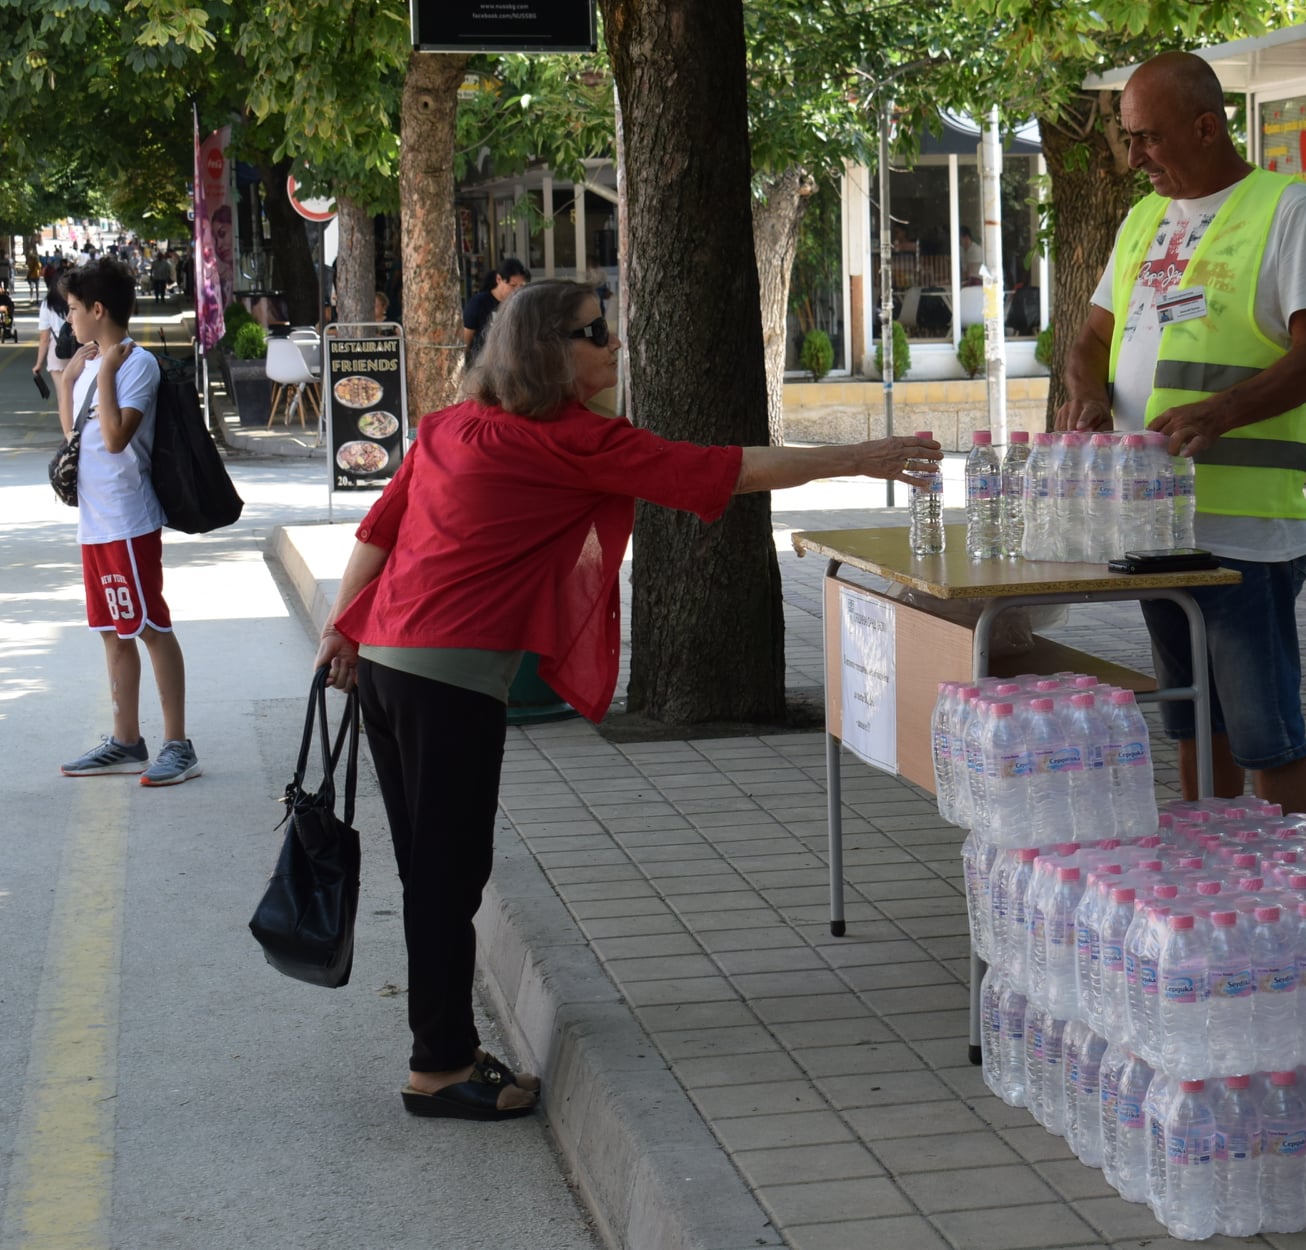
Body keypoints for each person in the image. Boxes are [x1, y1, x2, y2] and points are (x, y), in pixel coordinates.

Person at [312, 280, 939, 1120]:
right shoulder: (569, 441)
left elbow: (381, 528)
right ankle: (439, 1064)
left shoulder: (449, 427)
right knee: (447, 876)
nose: (613, 346)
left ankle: (444, 1049)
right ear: (547, 352)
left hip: (390, 664)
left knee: (433, 870)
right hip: (446, 680)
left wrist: (340, 630)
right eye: (592, 332)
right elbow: (724, 470)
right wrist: (860, 458)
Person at [1059, 51, 1306, 816]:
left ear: (1207, 125)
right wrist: (1087, 392)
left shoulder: (1290, 209)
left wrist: (1223, 412)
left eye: (1147, 138)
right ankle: (1212, 870)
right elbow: (1089, 339)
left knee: (1267, 734)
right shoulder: (1142, 221)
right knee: (1192, 719)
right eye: (1128, 139)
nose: (1134, 158)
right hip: (1156, 527)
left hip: (1245, 535)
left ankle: (1288, 888)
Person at [55, 259, 201, 786]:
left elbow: (116, 439)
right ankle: (125, 739)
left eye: (73, 309)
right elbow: (79, 440)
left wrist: (108, 372)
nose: (68, 319)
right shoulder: (95, 360)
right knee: (113, 631)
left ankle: (178, 744)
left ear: (98, 309)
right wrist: (72, 380)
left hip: (127, 520)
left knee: (151, 627)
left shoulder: (134, 364)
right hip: (95, 523)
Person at [459, 257, 529, 368]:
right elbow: (466, 339)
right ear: (499, 279)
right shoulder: (479, 303)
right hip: (484, 367)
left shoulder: (522, 304)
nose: (517, 291)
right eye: (513, 285)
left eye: (521, 286)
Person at [34, 268, 73, 383]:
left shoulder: (48, 304)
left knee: (62, 396)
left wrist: (39, 363)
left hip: (58, 351)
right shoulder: (78, 300)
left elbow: (44, 338)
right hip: (79, 348)